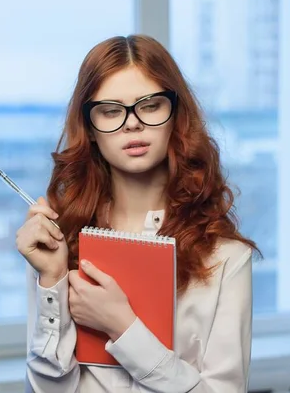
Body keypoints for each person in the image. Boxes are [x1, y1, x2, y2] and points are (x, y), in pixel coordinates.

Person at [16, 34, 260, 393]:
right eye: (111, 110)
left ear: (176, 116)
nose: (132, 123)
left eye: (149, 105)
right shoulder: (59, 245)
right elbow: (45, 389)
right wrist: (52, 279)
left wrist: (123, 326)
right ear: (91, 129)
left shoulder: (226, 258)